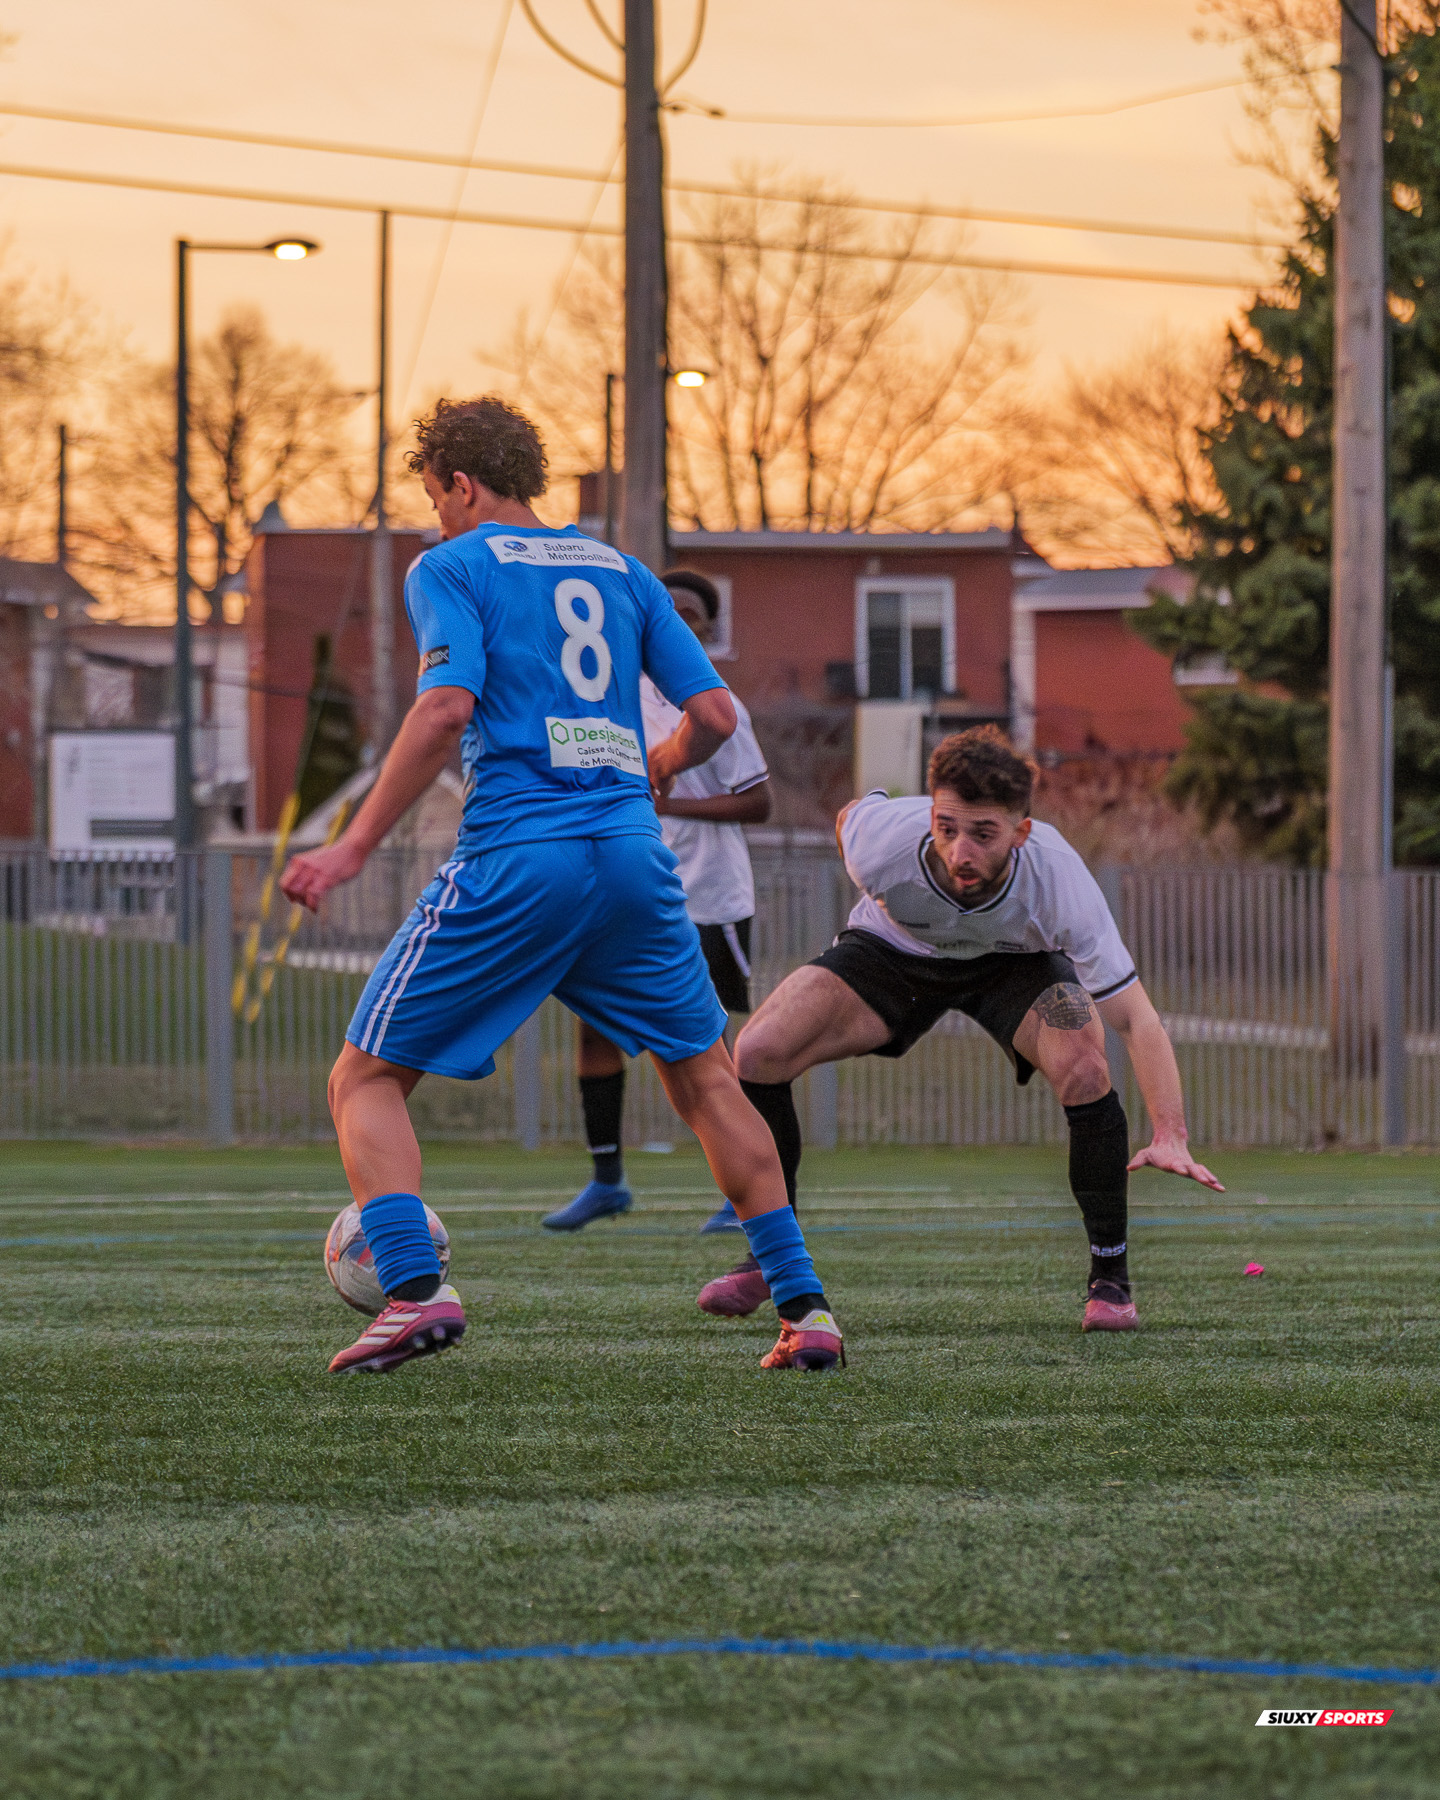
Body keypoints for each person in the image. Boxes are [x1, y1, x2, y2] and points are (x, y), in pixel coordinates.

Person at [280, 396, 844, 1375]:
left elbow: (444, 707)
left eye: (434, 500)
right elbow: (714, 712)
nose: (435, 521)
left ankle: (414, 1293)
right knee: (708, 1080)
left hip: (519, 856)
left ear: (460, 484)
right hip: (632, 857)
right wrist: (660, 758)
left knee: (364, 1078)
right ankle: (808, 1311)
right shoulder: (620, 571)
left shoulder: (450, 566)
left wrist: (352, 845)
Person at [703, 724, 1221, 1330]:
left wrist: (1170, 1132)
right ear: (929, 815)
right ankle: (771, 1258)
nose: (960, 853)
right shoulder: (882, 842)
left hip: (1012, 964)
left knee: (1085, 1066)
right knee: (759, 1050)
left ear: (1021, 833)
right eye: (946, 828)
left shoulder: (1055, 874)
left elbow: (1134, 1016)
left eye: (983, 834)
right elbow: (850, 816)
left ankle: (1110, 1280)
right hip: (893, 952)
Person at [541, 567, 772, 1236]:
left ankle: (743, 1192)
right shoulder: (604, 696)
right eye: (665, 608)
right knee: (596, 1028)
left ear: (706, 627)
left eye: (691, 611)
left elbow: (760, 801)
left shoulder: (716, 703)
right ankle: (607, 1180)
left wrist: (674, 800)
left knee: (711, 1047)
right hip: (621, 887)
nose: (677, 617)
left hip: (707, 895)